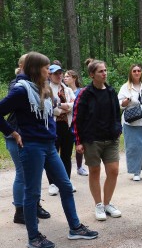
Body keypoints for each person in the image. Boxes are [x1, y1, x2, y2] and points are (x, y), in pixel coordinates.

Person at [0, 52, 98, 248]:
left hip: (49, 145)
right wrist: (13, 133)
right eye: (46, 68)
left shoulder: (42, 87)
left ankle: (75, 228)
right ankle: (34, 238)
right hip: (32, 147)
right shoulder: (21, 90)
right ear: (36, 69)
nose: (49, 71)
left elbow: (50, 111)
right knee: (32, 193)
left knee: (65, 185)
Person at [73, 59, 122, 221]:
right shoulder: (85, 93)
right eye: (101, 71)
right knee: (94, 171)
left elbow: (117, 113)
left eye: (105, 70)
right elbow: (77, 118)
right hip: (92, 140)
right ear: (92, 74)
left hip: (111, 139)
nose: (104, 73)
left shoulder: (111, 91)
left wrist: (118, 130)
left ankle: (108, 204)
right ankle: (98, 205)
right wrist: (78, 141)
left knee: (113, 171)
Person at [5, 54, 50, 224]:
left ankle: (34, 205)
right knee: (23, 173)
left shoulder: (36, 84)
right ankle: (20, 211)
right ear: (25, 66)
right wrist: (13, 132)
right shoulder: (18, 85)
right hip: (17, 135)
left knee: (35, 172)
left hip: (31, 136)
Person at [46, 64, 76, 196]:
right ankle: (52, 183)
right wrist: (63, 107)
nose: (59, 76)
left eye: (60, 73)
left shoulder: (67, 89)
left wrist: (61, 106)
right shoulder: (46, 89)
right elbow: (51, 109)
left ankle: (66, 181)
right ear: (50, 75)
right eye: (55, 73)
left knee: (66, 155)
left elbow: (73, 105)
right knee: (52, 155)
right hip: (52, 126)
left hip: (67, 126)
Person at [63, 70, 88, 176]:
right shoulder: (62, 91)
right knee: (65, 148)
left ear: (74, 78)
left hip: (78, 123)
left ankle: (79, 167)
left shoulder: (81, 91)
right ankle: (64, 169)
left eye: (68, 76)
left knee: (79, 145)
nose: (65, 78)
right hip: (66, 122)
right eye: (64, 76)